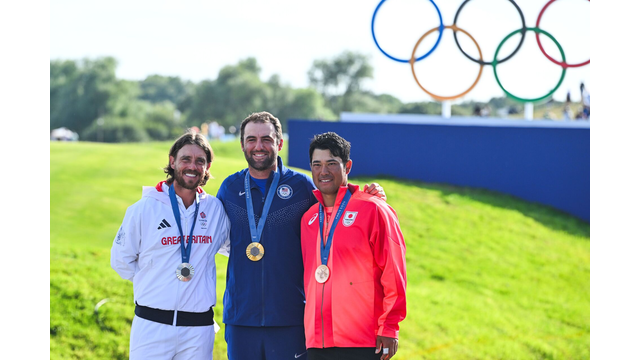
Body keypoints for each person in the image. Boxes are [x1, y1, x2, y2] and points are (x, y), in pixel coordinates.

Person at [216, 111, 386, 360]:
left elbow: (336, 204)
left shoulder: (303, 186)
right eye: (251, 139)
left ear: (279, 143)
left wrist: (371, 194)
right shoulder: (229, 188)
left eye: (267, 139)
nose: (258, 146)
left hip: (292, 317)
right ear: (242, 144)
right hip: (241, 318)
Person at [111, 130, 231, 359]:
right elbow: (120, 261)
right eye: (186, 159)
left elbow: (232, 248)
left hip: (198, 330)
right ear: (172, 161)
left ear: (207, 168)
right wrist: (155, 280)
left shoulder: (215, 209)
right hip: (152, 325)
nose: (192, 166)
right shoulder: (144, 208)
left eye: (200, 161)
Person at [300, 132, 407, 360]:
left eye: (331, 163)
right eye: (317, 165)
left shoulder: (373, 209)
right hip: (317, 342)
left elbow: (393, 272)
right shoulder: (308, 219)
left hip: (363, 340)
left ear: (347, 166)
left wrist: (389, 327)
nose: (323, 171)